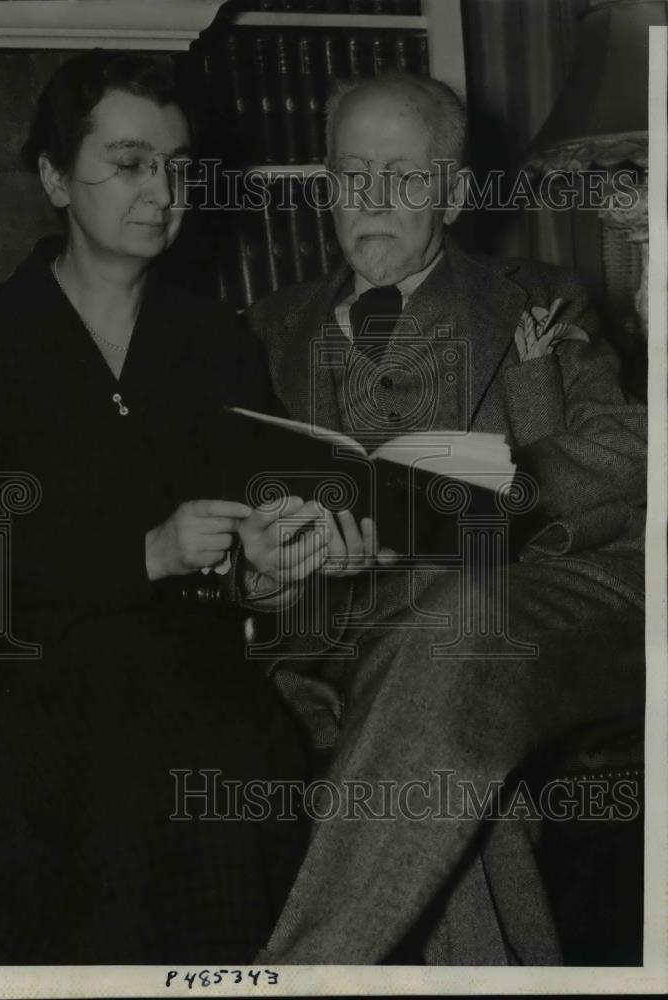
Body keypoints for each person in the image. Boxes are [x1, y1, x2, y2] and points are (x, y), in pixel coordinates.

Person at [0, 50, 325, 964]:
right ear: (57, 178)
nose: (162, 191)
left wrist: (265, 558)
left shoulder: (217, 339)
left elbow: (255, 505)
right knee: (137, 785)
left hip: (184, 656)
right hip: (32, 660)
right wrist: (143, 550)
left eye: (179, 168)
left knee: (252, 769)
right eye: (132, 163)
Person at [244, 72, 647, 964]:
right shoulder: (263, 331)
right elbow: (227, 507)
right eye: (352, 174)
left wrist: (482, 503)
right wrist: (259, 565)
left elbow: (628, 451)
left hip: (527, 603)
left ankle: (292, 977)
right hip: (339, 639)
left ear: (456, 193)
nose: (372, 200)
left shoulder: (539, 298)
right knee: (435, 772)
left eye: (403, 175)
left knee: (441, 650)